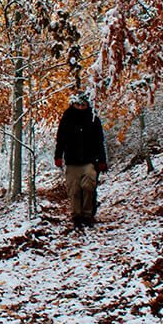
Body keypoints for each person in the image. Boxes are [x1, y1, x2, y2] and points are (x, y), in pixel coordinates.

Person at [54, 92, 108, 227]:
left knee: (89, 185)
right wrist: (58, 156)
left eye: (83, 104)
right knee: (74, 190)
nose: (80, 107)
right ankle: (77, 216)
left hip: (90, 160)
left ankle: (87, 214)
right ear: (73, 104)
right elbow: (60, 139)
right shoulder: (67, 117)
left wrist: (102, 160)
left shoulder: (93, 118)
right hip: (72, 160)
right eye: (77, 104)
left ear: (87, 105)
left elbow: (99, 140)